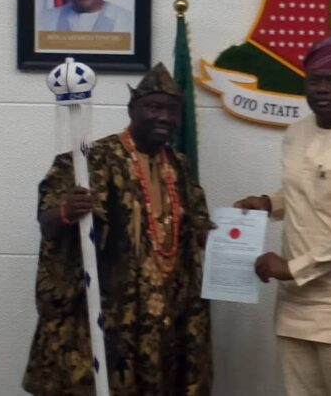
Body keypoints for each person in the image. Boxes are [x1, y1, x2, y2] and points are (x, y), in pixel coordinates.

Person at [22, 63, 213, 395]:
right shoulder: (89, 160)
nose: (164, 117)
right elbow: (48, 224)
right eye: (154, 107)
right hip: (111, 312)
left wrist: (229, 241)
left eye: (172, 110)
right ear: (132, 109)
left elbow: (197, 224)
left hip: (167, 311)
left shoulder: (179, 166)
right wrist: (66, 212)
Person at [234, 36, 331, 396]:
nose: (323, 89)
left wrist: (291, 268)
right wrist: (267, 203)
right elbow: (301, 191)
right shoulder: (296, 133)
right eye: (315, 80)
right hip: (296, 302)